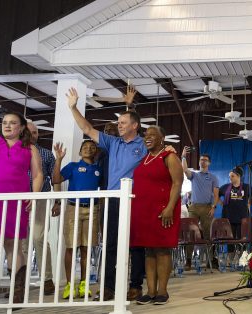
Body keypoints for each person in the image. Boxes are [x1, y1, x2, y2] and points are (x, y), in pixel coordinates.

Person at [66, 86, 148, 301]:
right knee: (110, 243)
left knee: (136, 243)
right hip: (112, 199)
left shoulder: (145, 143)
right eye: (118, 123)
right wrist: (73, 107)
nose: (118, 126)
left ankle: (135, 286)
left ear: (135, 126)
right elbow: (87, 128)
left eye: (122, 123)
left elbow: (161, 151)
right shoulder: (113, 143)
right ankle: (109, 288)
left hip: (135, 200)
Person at [0, 111, 43, 303]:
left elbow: (37, 175)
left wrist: (34, 196)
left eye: (13, 123)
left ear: (21, 128)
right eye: (5, 122)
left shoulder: (30, 149)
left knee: (12, 245)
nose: (7, 126)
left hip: (16, 203)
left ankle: (17, 292)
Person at [130, 126, 183, 305]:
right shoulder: (144, 158)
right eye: (146, 135)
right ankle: (150, 291)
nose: (148, 137)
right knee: (149, 251)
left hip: (163, 210)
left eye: (153, 135)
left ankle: (162, 291)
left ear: (162, 138)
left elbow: (177, 183)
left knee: (161, 249)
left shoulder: (169, 156)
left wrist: (169, 208)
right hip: (144, 211)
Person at [52, 140, 102, 299]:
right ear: (80, 152)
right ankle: (69, 284)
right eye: (85, 147)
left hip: (92, 209)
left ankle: (83, 284)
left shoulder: (99, 169)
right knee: (71, 248)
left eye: (92, 147)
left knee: (87, 248)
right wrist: (58, 159)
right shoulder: (73, 166)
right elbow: (56, 179)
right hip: (73, 208)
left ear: (96, 152)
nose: (88, 149)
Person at [25, 122, 57, 295]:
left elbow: (54, 178)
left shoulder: (45, 154)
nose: (33, 135)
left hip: (41, 199)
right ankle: (19, 282)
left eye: (36, 132)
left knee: (39, 238)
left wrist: (57, 202)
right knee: (20, 242)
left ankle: (47, 279)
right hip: (19, 200)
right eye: (29, 132)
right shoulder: (17, 152)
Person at [181, 150, 220, 270]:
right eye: (201, 160)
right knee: (190, 234)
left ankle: (210, 260)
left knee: (208, 234)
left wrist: (213, 207)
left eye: (205, 160)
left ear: (209, 163)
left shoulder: (213, 177)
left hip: (207, 207)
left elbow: (216, 194)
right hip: (194, 207)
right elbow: (185, 170)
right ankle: (188, 261)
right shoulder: (194, 175)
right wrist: (183, 157)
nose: (202, 162)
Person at [217, 166, 252, 267]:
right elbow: (216, 194)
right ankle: (231, 260)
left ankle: (242, 259)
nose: (230, 178)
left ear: (238, 176)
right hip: (229, 217)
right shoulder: (225, 187)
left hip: (242, 218)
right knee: (230, 240)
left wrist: (249, 203)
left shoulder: (246, 187)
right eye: (229, 176)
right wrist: (221, 203)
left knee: (242, 239)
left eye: (232, 176)